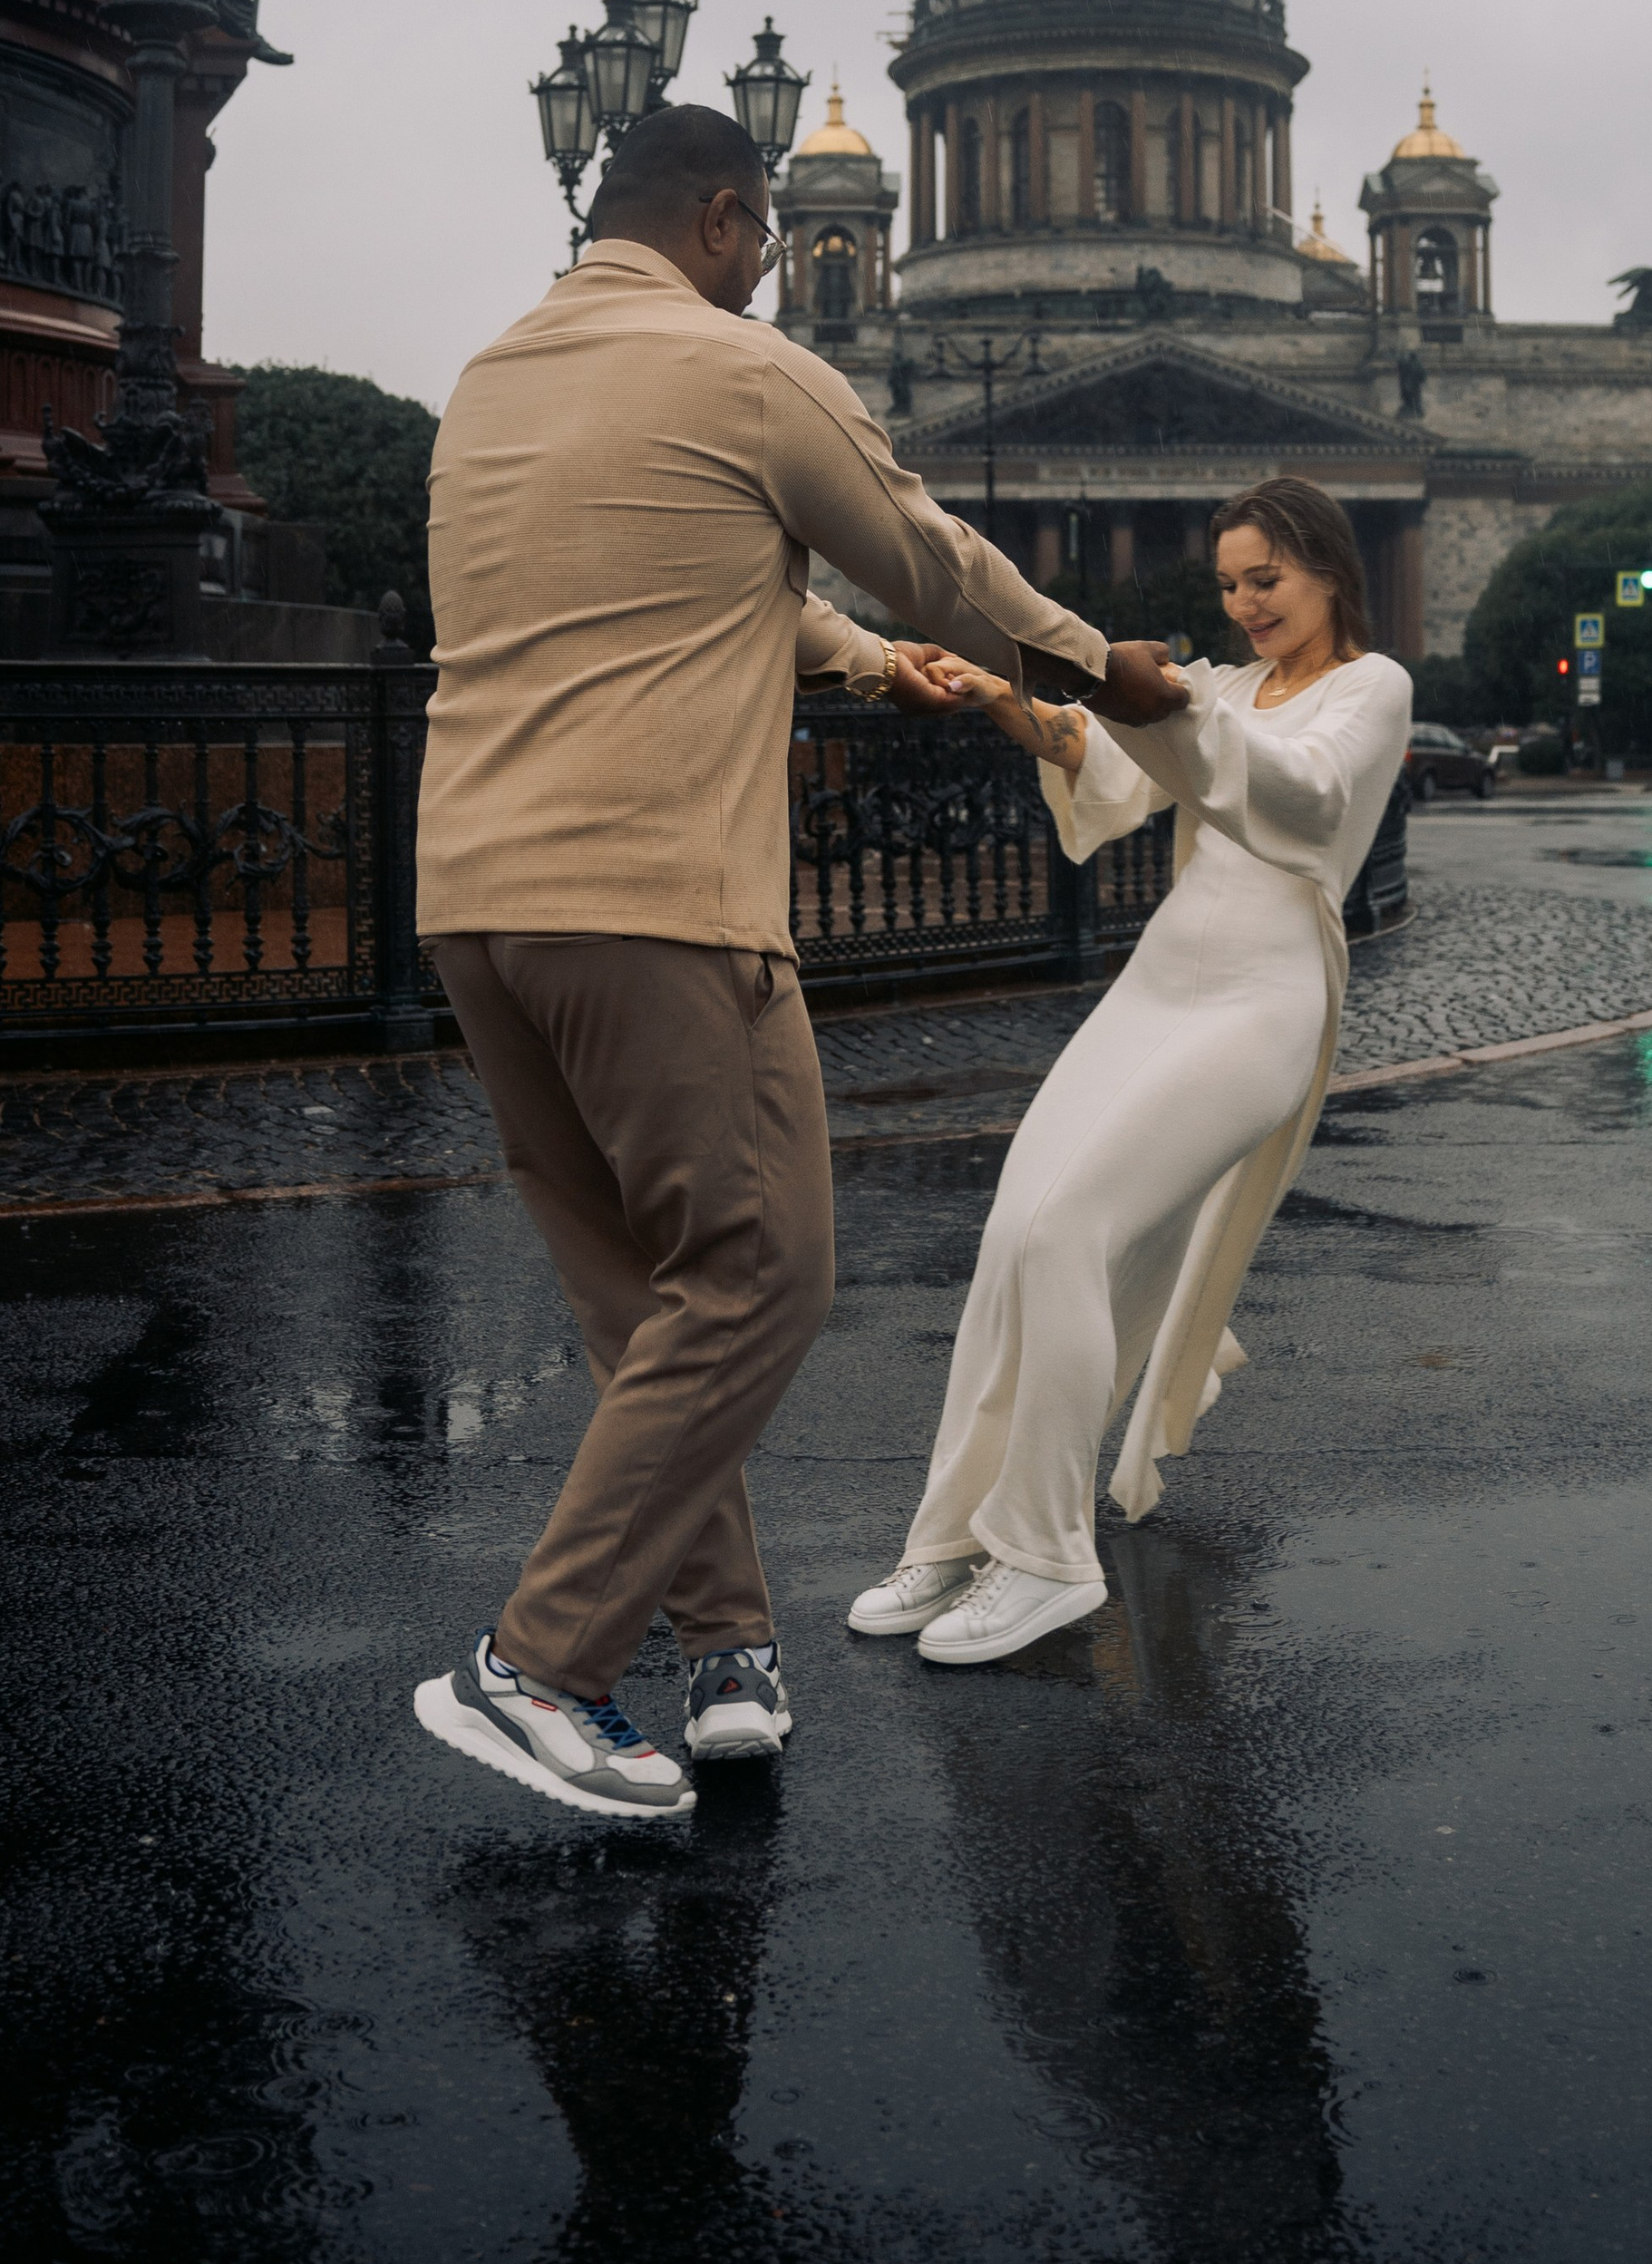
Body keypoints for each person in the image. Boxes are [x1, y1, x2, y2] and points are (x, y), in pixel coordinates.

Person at [411, 104, 1184, 1816]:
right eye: (761, 237)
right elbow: (933, 550)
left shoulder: (492, 379)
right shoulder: (749, 370)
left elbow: (659, 582)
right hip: (654, 898)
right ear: (727, 215)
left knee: (648, 1302)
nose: (769, 265)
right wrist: (1095, 668)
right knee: (764, 1277)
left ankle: (725, 1646)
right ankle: (539, 1663)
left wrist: (853, 662)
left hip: (475, 902)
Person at [849, 476, 1413, 1666]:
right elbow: (1098, 762)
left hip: (1261, 1002)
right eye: (1229, 584)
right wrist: (1008, 694)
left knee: (1067, 1235)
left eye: (1266, 578)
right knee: (1014, 1234)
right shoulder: (1229, 688)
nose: (1245, 603)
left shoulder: (1373, 689)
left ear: (1327, 571)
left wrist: (1167, 704)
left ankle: (1049, 1558)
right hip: (1160, 983)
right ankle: (954, 1533)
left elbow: (1301, 801)